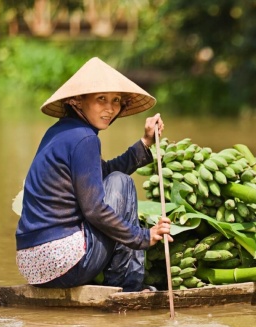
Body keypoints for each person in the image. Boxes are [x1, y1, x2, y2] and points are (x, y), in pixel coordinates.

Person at [15, 57, 173, 292]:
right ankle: (127, 285)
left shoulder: (60, 132)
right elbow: (95, 209)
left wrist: (145, 143)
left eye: (116, 101)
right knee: (122, 182)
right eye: (101, 100)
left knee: (115, 179)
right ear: (77, 100)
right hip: (62, 263)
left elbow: (100, 174)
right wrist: (143, 237)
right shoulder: (85, 138)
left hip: (31, 264)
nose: (110, 109)